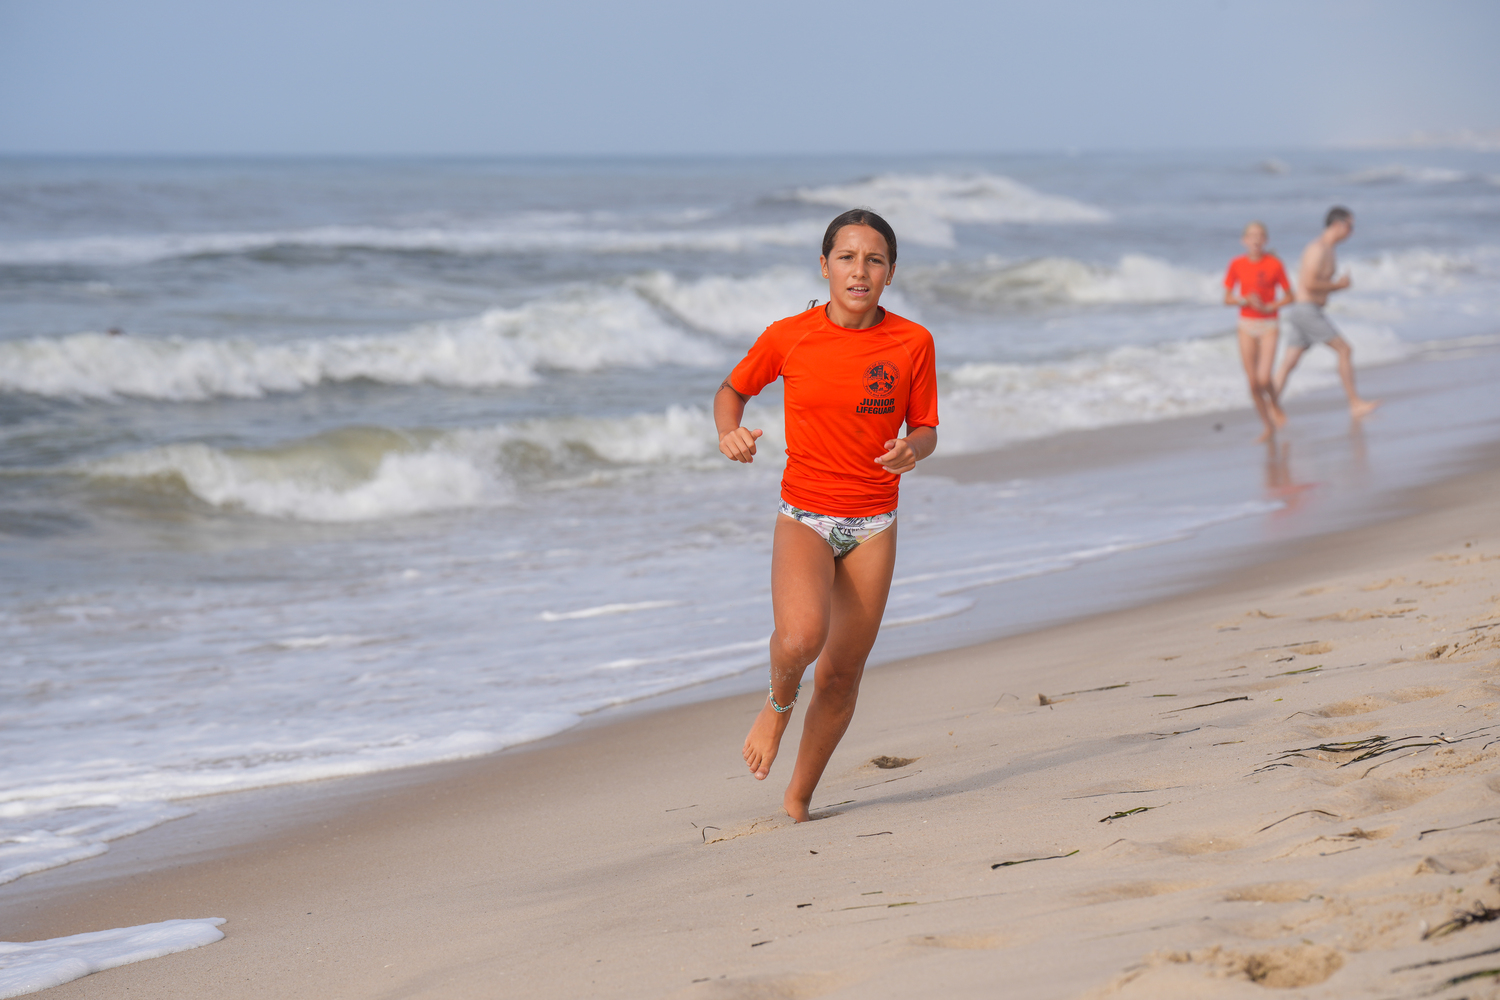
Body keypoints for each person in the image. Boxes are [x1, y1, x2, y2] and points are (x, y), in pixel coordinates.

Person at [715, 209, 938, 823]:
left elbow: (925, 428)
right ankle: (777, 704)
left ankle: (797, 799)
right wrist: (729, 432)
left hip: (873, 523)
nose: (859, 270)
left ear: (890, 273)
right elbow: (731, 391)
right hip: (805, 515)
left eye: (874, 259)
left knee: (841, 675)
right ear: (825, 266)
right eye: (847, 257)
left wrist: (911, 450)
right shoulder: (790, 336)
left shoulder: (912, 342)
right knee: (800, 638)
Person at [1274, 207, 1380, 418]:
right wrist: (1338, 286)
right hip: (1306, 310)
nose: (1351, 231)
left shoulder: (1329, 249)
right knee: (1344, 350)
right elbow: (1309, 283)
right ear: (1338, 225)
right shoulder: (1318, 248)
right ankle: (1354, 403)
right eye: (1350, 226)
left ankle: (1271, 406)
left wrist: (1335, 286)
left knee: (1290, 361)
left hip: (1305, 309)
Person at [1223, 221, 1291, 441]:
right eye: (1251, 235)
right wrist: (1244, 300)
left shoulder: (1275, 264)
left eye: (1260, 235)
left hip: (1269, 324)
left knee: (1264, 378)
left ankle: (1275, 405)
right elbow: (1227, 298)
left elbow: (1291, 296)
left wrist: (1269, 306)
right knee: (1252, 382)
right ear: (1244, 241)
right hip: (1246, 325)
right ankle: (1267, 425)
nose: (1256, 239)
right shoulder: (1236, 264)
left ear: (1266, 240)